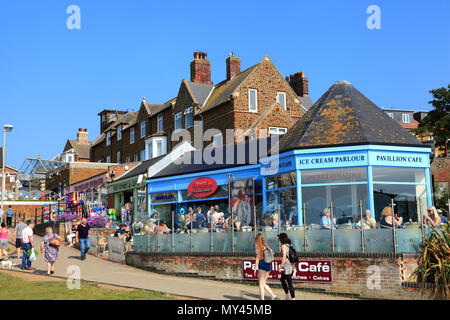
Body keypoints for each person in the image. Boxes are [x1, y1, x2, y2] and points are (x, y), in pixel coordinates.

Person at [253, 234, 276, 300]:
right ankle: (272, 295)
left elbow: (257, 259)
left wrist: (255, 269)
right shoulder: (267, 246)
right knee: (263, 283)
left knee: (260, 284)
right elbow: (272, 254)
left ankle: (262, 299)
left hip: (262, 264)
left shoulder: (258, 248)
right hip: (268, 264)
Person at [277, 233, 295, 300]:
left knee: (289, 282)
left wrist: (280, 267)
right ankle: (287, 296)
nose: (279, 239)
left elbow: (284, 257)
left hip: (287, 264)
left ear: (282, 239)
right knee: (282, 279)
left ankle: (292, 298)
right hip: (291, 263)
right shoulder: (290, 244)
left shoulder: (283, 245)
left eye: (279, 238)